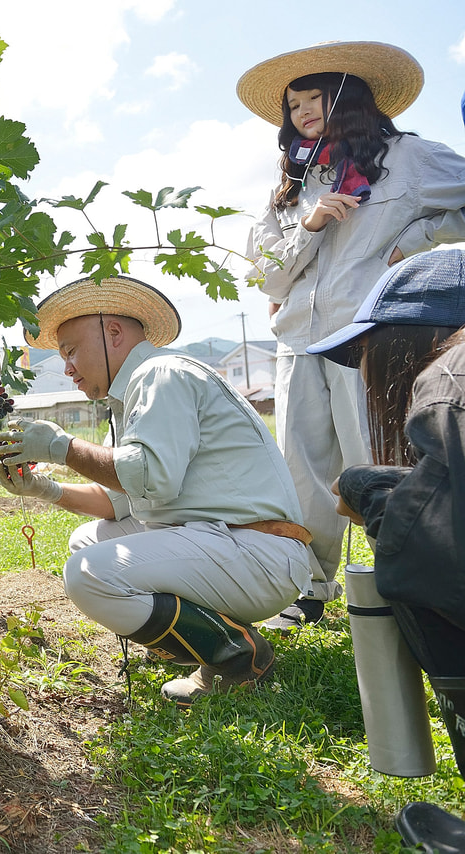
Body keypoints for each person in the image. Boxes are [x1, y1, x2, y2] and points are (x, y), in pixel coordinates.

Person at [0, 275, 316, 705]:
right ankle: (198, 640)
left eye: (71, 351)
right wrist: (43, 488)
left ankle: (233, 656)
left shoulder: (162, 374)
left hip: (256, 550)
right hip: (231, 543)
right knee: (87, 541)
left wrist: (60, 447)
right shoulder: (138, 392)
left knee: (88, 574)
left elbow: (148, 476)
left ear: (113, 333)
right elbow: (120, 500)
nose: (67, 367)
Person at [238, 41, 465, 629]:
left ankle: (408, 583)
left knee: (378, 457)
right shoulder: (294, 182)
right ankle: (311, 589)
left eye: (315, 96)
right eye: (293, 104)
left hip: (370, 336)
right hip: (297, 340)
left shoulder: (408, 158)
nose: (303, 111)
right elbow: (264, 271)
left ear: (351, 96)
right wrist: (309, 224)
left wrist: (415, 242)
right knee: (301, 464)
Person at [307, 250, 465, 850]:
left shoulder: (448, 380)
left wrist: (370, 496)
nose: (366, 371)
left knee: (410, 577)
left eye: (367, 349)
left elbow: (448, 559)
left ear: (407, 338)